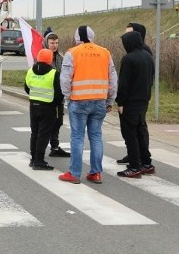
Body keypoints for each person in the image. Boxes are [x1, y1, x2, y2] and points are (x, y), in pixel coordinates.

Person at [58, 25, 117, 184]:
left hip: (79, 101)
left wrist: (68, 97)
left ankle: (74, 173)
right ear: (92, 36)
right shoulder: (105, 53)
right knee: (96, 136)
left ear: (77, 38)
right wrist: (110, 100)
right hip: (99, 101)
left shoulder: (72, 53)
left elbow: (65, 79)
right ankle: (96, 173)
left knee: (77, 137)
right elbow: (113, 80)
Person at [115, 30, 155, 178]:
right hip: (143, 101)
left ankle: (134, 166)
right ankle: (146, 163)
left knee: (130, 135)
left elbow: (124, 83)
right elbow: (151, 80)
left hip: (130, 103)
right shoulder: (148, 57)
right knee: (141, 133)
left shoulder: (128, 59)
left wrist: (120, 101)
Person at [25, 48, 63, 170]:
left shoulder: (30, 71)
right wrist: (57, 103)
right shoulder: (54, 73)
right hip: (48, 107)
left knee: (35, 133)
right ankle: (39, 160)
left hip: (33, 105)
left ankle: (33, 158)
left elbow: (27, 88)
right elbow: (59, 93)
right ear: (50, 59)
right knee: (44, 134)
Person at [42, 28, 69, 158]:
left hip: (59, 98)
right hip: (46, 99)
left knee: (57, 122)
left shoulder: (61, 58)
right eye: (52, 43)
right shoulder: (42, 58)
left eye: (57, 43)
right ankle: (39, 150)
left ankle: (55, 147)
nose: (55, 45)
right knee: (46, 125)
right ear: (47, 43)